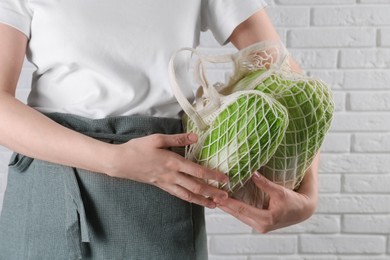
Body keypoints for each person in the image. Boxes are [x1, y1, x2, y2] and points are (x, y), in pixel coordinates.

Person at [0, 1, 319, 259]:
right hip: (49, 188)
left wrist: (307, 195)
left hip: (159, 191)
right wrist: (114, 160)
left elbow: (290, 85)